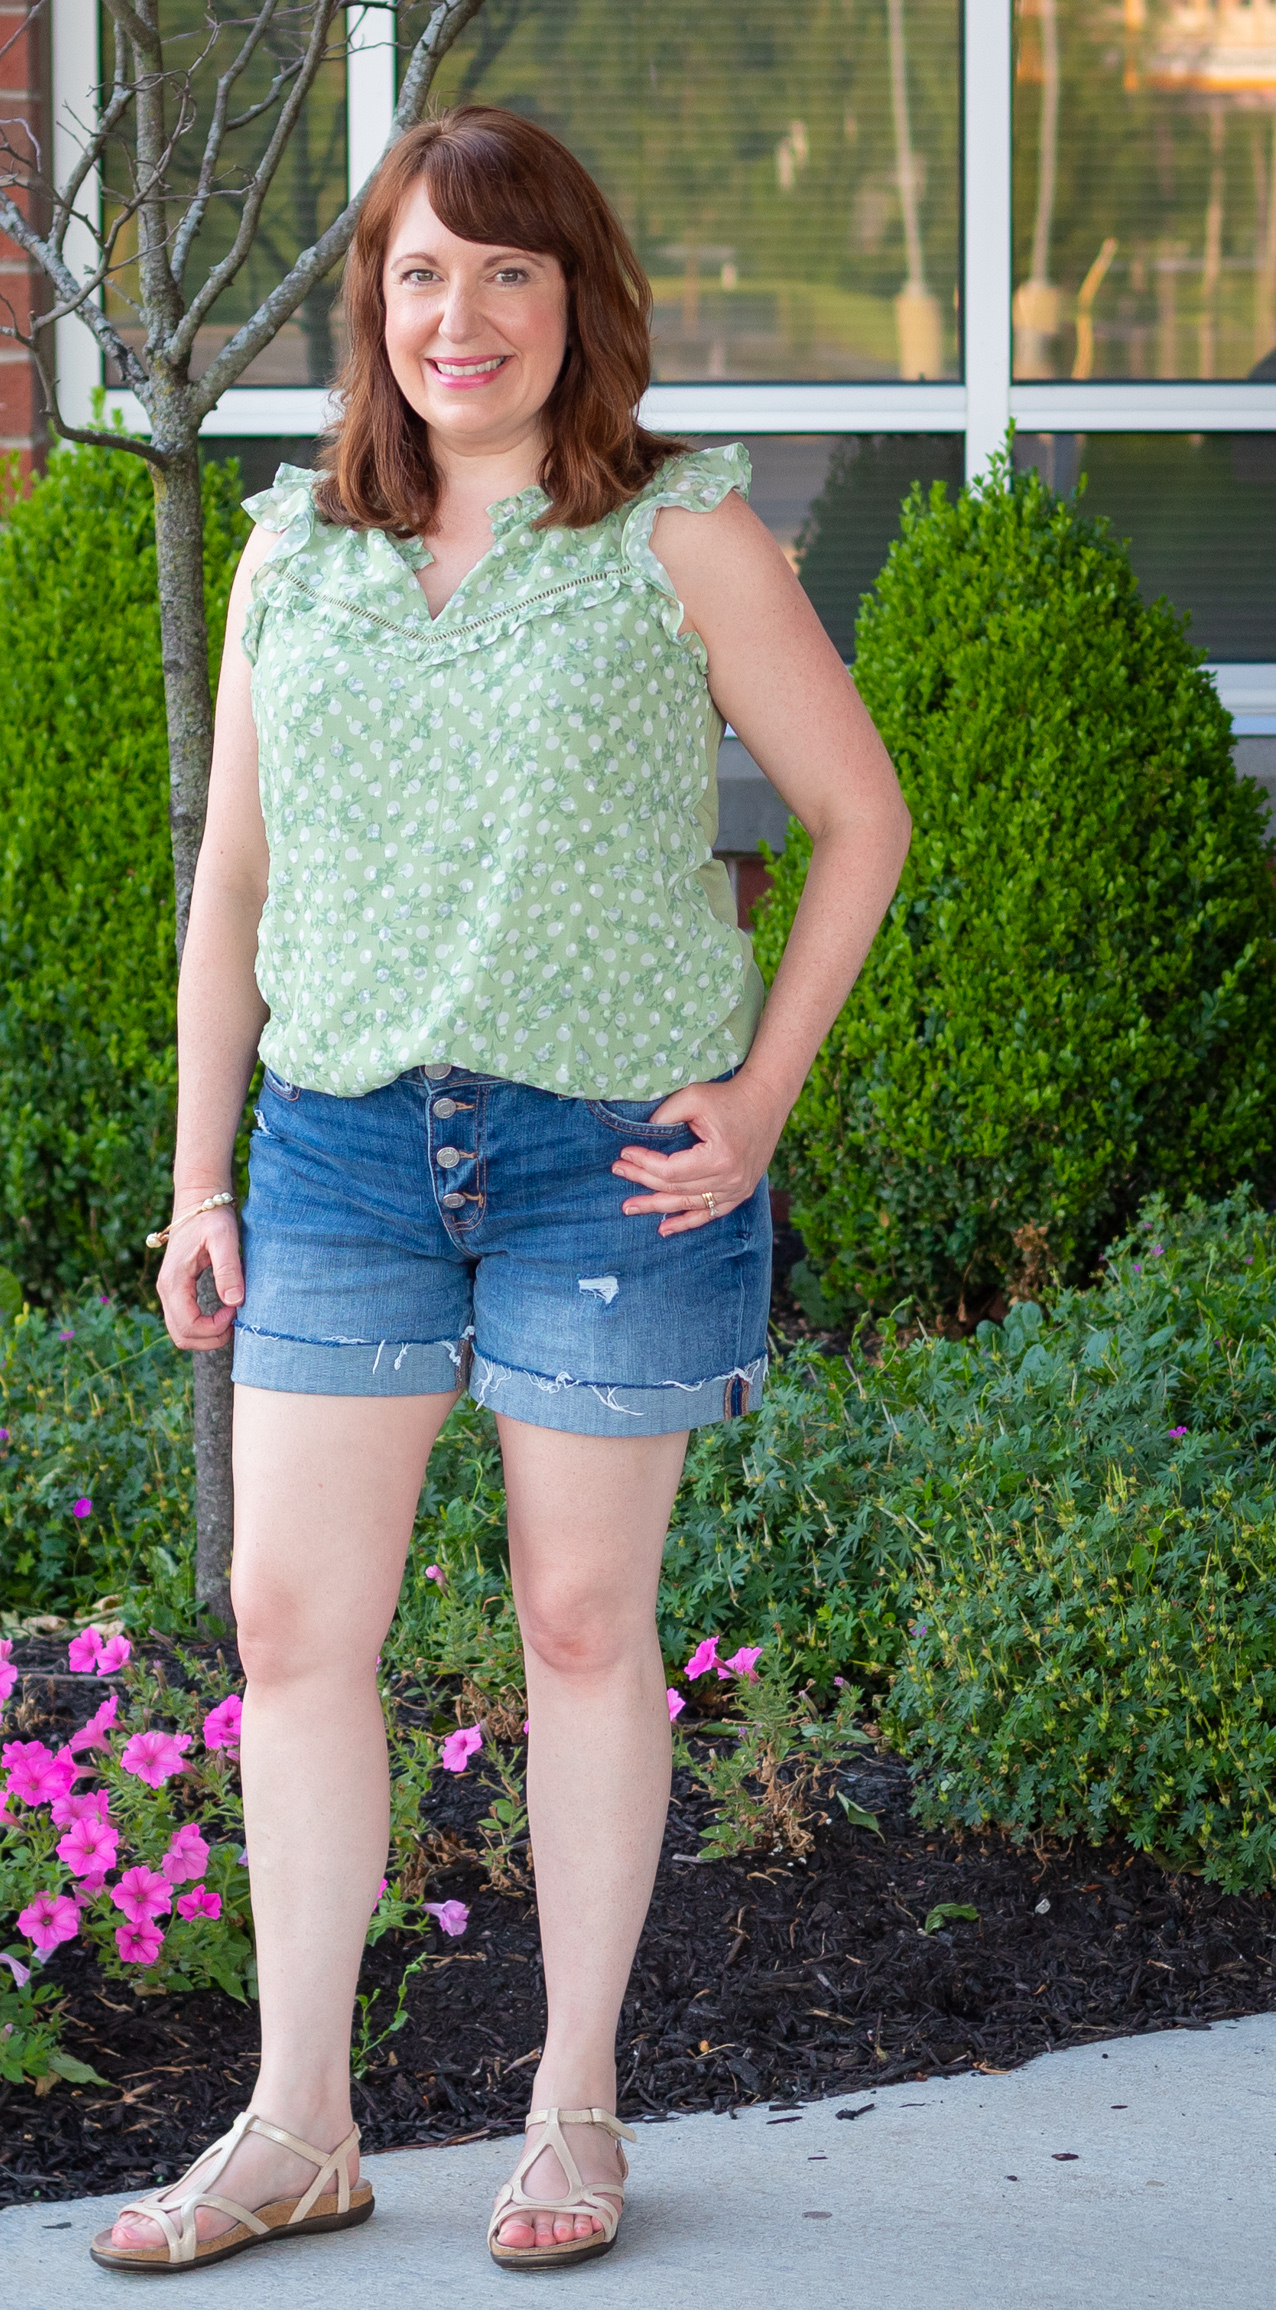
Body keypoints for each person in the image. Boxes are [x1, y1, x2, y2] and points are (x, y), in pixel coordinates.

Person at [90, 105, 910, 2279]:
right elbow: (230, 888)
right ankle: (296, 2124)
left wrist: (758, 1100)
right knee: (287, 1627)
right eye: (420, 273)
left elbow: (857, 817)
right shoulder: (293, 554)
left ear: (576, 304)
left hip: (601, 1162)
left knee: (577, 1625)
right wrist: (197, 1179)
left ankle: (572, 2103)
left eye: (508, 272)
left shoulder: (676, 535)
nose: (460, 316)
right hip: (342, 1144)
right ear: (376, 305)